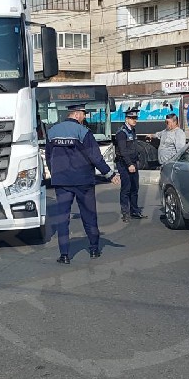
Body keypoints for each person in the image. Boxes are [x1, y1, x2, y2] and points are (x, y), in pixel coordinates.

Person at [46, 104, 119, 264]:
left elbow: (49, 157)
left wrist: (55, 174)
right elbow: (95, 157)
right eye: (84, 114)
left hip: (62, 182)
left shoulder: (52, 131)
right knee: (89, 215)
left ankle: (64, 255)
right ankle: (94, 249)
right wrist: (110, 174)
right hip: (83, 181)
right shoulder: (83, 132)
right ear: (77, 114)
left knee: (63, 219)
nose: (84, 117)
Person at [112, 108, 144, 222]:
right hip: (124, 163)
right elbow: (123, 150)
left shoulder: (132, 130)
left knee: (135, 187)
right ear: (127, 119)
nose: (135, 120)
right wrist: (129, 164)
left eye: (136, 118)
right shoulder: (122, 132)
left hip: (133, 163)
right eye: (132, 118)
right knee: (126, 188)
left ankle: (134, 211)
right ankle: (125, 213)